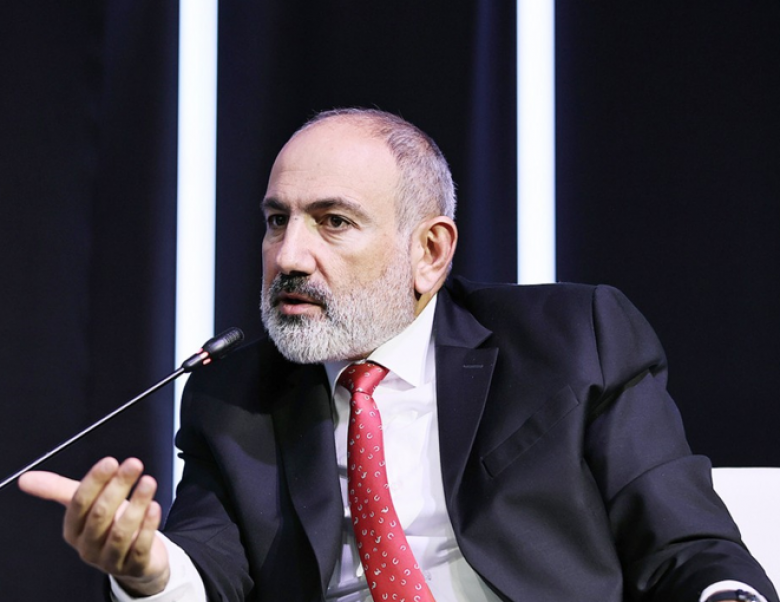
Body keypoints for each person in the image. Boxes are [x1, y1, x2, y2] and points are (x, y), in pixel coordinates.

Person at [19, 108, 777, 602]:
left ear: (430, 252)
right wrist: (148, 570)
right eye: (277, 220)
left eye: (333, 222)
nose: (290, 255)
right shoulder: (234, 398)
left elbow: (686, 546)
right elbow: (210, 565)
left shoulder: (576, 340)